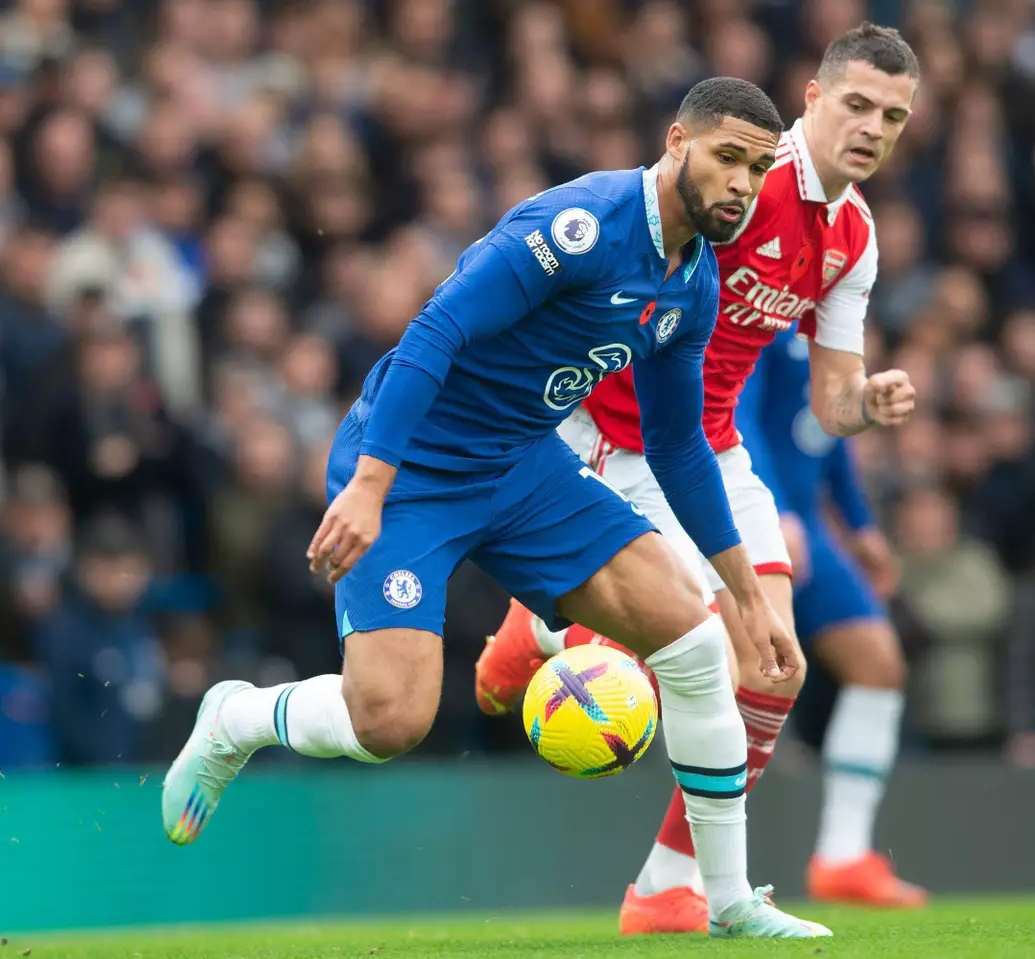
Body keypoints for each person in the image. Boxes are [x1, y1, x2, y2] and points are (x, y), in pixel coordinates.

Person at [160, 77, 833, 940]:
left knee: (698, 641)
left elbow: (677, 447)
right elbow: (434, 332)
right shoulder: (580, 225)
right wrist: (369, 484)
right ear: (677, 142)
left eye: (757, 167)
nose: (742, 183)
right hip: (411, 471)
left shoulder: (691, 282)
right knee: (391, 719)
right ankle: (236, 718)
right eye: (727, 157)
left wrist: (744, 589)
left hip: (522, 465)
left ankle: (728, 900)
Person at [474, 23, 922, 933]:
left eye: (894, 117)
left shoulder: (853, 236)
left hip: (711, 450)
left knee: (776, 666)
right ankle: (550, 630)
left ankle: (665, 886)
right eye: (858, 105)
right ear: (813, 100)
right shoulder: (744, 180)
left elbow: (830, 401)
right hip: (616, 435)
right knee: (714, 652)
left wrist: (866, 404)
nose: (872, 128)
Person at [735, 323, 924, 904]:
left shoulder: (830, 315)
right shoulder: (762, 305)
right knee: (745, 680)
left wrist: (859, 523)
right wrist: (772, 507)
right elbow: (735, 411)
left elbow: (832, 428)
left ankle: (843, 855)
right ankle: (695, 867)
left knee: (878, 665)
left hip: (810, 527)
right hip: (751, 514)